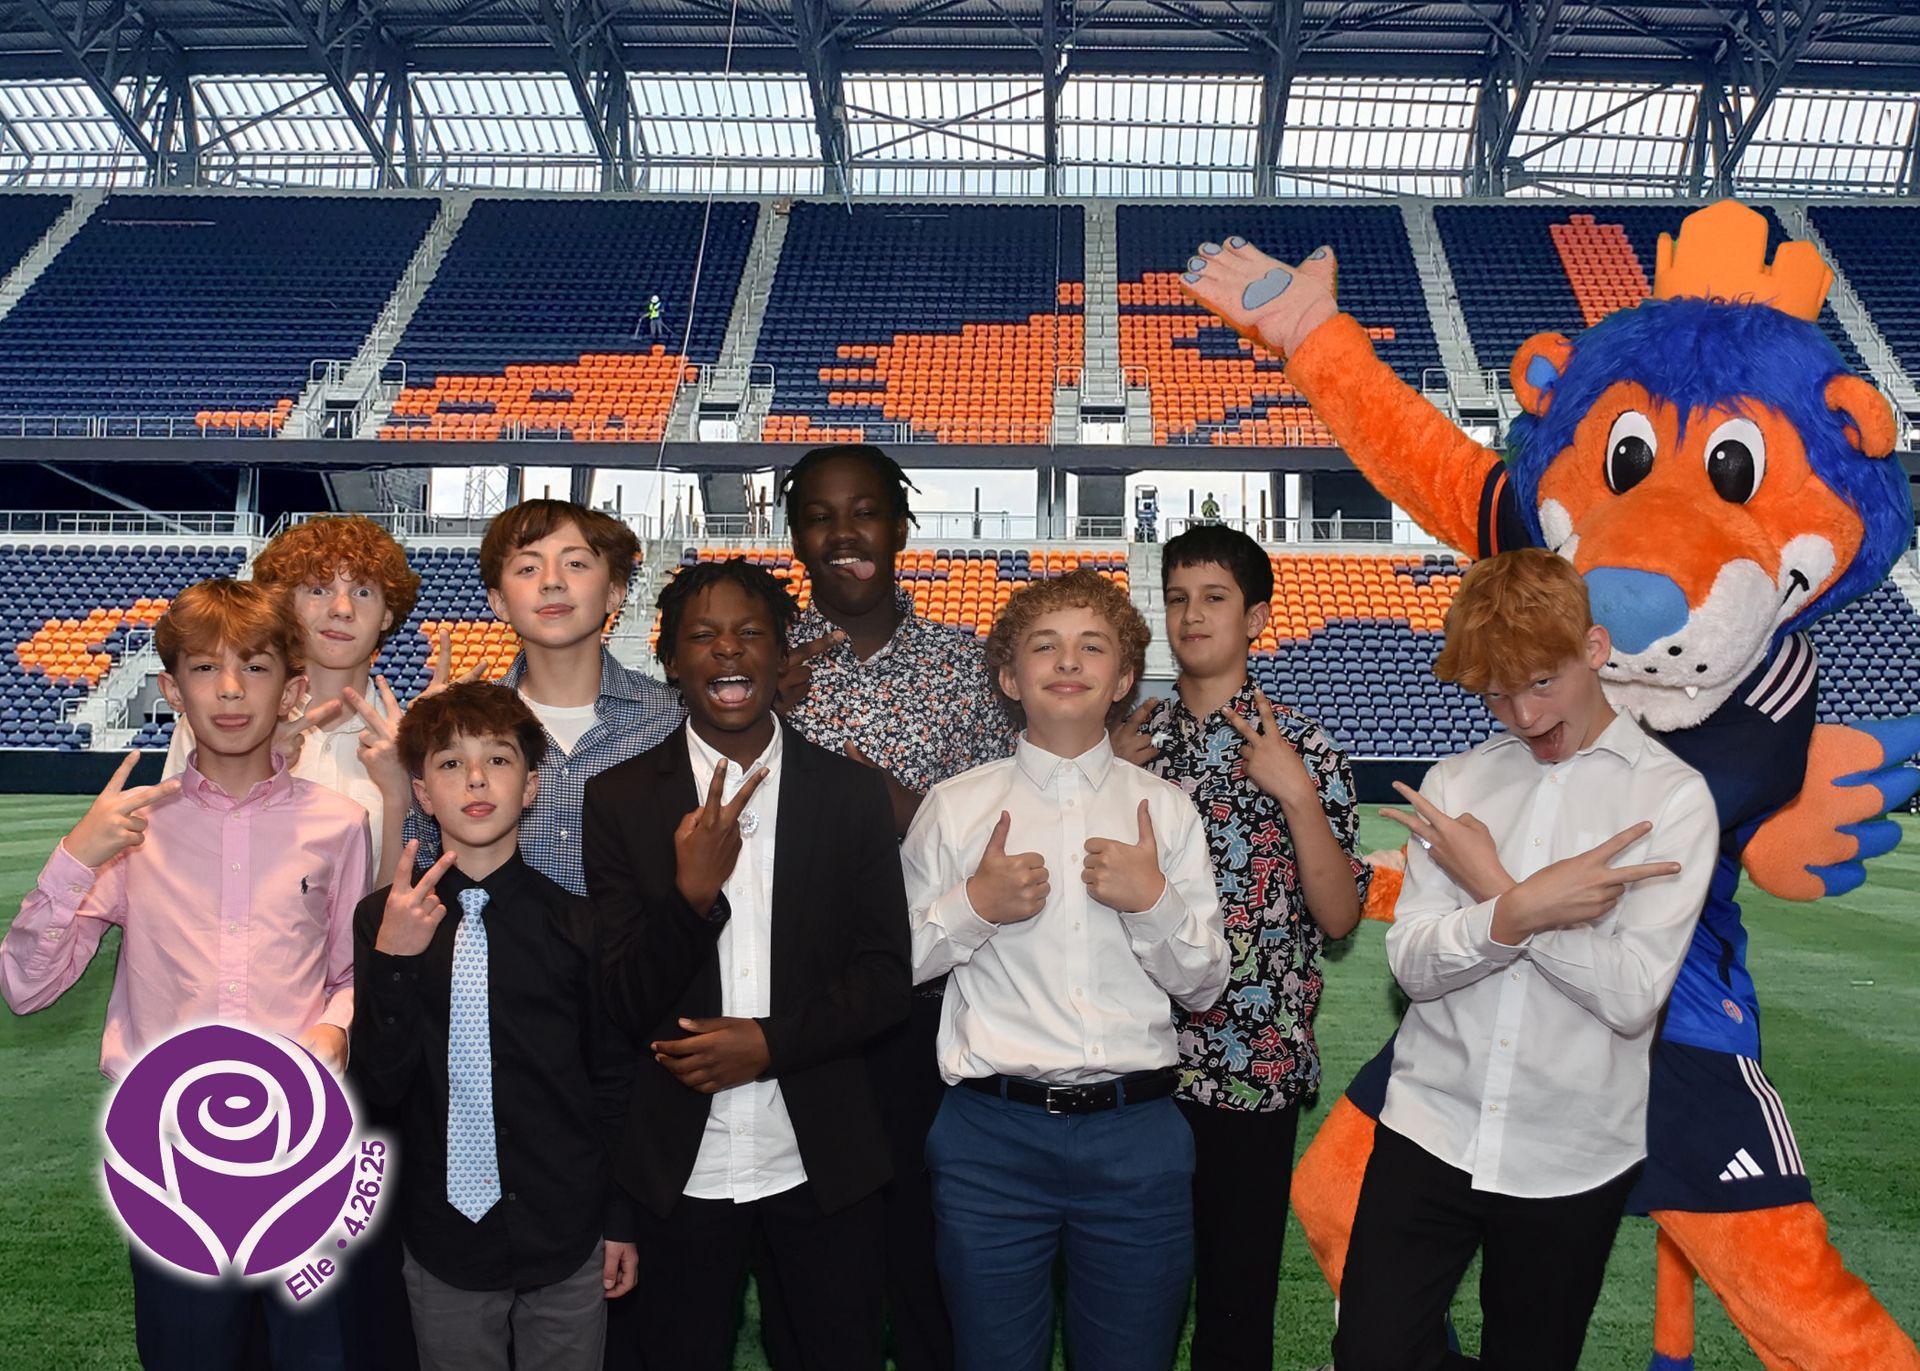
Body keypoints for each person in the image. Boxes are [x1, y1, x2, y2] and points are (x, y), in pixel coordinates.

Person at [1332, 548, 1718, 1371]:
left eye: (1542, 682)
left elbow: (1632, 996)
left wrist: (1500, 892)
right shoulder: (1458, 782)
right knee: (1370, 1352)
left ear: (1594, 648)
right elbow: (1413, 965)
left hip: (1573, 1150)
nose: (1524, 714)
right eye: (1497, 694)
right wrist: (1518, 912)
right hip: (1431, 1125)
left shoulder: (1672, 799)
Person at [1, 579, 371, 1370]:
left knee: (315, 1355)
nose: (231, 689)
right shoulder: (135, 831)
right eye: (205, 668)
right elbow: (26, 988)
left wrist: (336, 1026)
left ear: (292, 690)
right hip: (167, 1155)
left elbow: (351, 971)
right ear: (172, 689)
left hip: (302, 1149)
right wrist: (75, 857)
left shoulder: (339, 825)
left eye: (256, 667)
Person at [584, 558, 909, 1370]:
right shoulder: (620, 798)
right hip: (677, 1169)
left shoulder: (851, 795)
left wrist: (769, 1044)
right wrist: (689, 897)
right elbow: (621, 1001)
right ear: (670, 660)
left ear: (781, 653)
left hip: (823, 1160)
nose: (728, 649)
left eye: (750, 632)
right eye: (702, 635)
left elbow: (884, 979)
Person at [901, 568, 1228, 1371]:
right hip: (989, 1137)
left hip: (1137, 1134)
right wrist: (975, 904)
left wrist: (1152, 901)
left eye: (1092, 646)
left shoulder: (1166, 810)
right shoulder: (955, 807)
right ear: (1011, 677)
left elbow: (1204, 983)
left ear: (1123, 678)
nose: (1069, 661)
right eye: (1044, 646)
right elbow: (893, 963)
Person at [771, 442, 1014, 1371]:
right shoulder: (755, 661)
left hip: (934, 1004)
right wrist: (754, 718)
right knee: (812, 1275)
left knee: (928, 1258)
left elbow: (1000, 839)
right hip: (798, 1005)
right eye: (820, 516)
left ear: (902, 525)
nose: (845, 533)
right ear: (796, 536)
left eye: (866, 510)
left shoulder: (969, 666)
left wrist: (885, 799)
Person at [1112, 524, 1368, 1371]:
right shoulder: (1129, 744)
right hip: (1131, 1058)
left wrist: (1297, 795)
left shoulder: (1305, 747)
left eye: (1214, 597)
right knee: (1129, 1302)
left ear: (1255, 616)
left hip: (1250, 1065)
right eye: (1178, 597)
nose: (1192, 615)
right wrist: (1100, 779)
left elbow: (1339, 917)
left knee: (1235, 1300)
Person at [350, 683, 636, 1371]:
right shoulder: (384, 918)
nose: (476, 778)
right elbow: (377, 1088)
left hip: (566, 1226)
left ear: (531, 784)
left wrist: (619, 1219)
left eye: (498, 759)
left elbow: (612, 1081)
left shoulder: (580, 925)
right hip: (443, 1233)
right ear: (423, 793)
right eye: (451, 763)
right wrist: (395, 963)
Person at [405, 498, 682, 897]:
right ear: (499, 602)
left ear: (614, 592)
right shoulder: (452, 726)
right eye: (528, 568)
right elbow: (417, 866)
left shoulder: (672, 719)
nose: (552, 582)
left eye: (576, 563)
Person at [167, 517, 420, 886]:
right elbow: (175, 868)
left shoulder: (411, 741)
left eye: (363, 592)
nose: (342, 609)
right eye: (318, 589)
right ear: (285, 605)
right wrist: (245, 767)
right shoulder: (219, 724)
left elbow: (415, 896)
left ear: (387, 615)